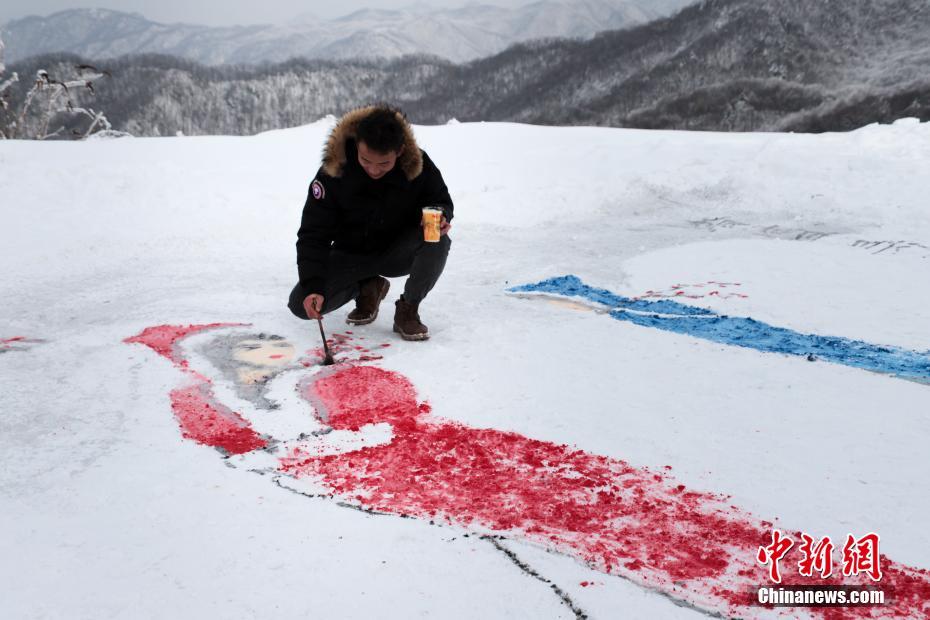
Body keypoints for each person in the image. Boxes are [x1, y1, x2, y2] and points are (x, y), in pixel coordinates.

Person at [287, 104, 453, 341]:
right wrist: (313, 286)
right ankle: (367, 286)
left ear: (400, 151)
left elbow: (439, 199)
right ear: (356, 145)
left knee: (436, 236)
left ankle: (408, 309)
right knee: (299, 305)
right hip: (350, 255)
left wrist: (442, 215)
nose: (374, 170)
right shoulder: (333, 171)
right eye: (366, 160)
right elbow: (313, 234)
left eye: (384, 163)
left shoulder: (419, 165)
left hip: (396, 252)